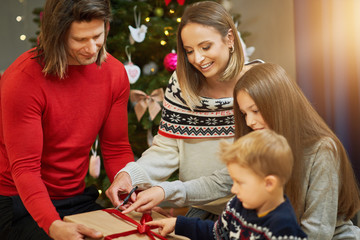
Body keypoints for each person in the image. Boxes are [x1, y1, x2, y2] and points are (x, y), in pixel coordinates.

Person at [106, 1, 262, 219]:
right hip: (199, 210)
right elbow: (166, 149)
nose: (197, 59)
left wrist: (168, 191)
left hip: (250, 213)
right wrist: (129, 175)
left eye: (205, 47)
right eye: (189, 51)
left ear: (229, 39)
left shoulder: (260, 84)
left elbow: (250, 169)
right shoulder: (180, 84)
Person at [0, 0, 134, 239]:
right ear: (56, 35)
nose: (92, 49)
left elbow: (115, 148)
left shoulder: (114, 73)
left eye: (97, 36)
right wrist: (53, 225)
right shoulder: (21, 80)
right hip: (14, 200)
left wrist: (129, 185)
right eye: (80, 40)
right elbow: (25, 169)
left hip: (73, 198)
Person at [231, 63, 360, 239]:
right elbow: (223, 181)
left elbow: (318, 231)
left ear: (279, 105)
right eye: (244, 114)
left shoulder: (322, 149)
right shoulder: (263, 149)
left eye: (255, 111)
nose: (249, 122)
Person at [146, 129, 308, 240]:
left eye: (240, 182)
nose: (233, 189)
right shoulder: (238, 204)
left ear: (269, 184)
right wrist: (177, 224)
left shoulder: (283, 228)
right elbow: (217, 234)